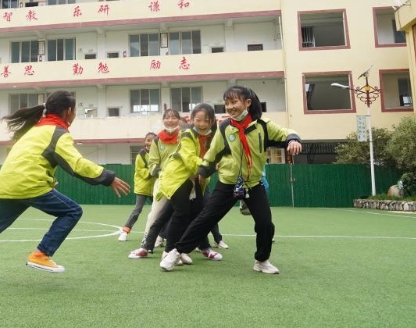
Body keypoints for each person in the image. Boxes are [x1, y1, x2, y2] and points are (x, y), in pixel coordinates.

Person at [0, 90, 130, 284]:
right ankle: (41, 254)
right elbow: (76, 164)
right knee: (72, 211)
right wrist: (107, 177)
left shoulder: (34, 130)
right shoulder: (58, 133)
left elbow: (33, 160)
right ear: (69, 111)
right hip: (28, 184)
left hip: (6, 185)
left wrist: (48, 181)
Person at [160, 85, 302, 274]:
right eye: (226, 103)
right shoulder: (225, 127)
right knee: (205, 219)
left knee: (265, 223)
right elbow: (212, 153)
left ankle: (262, 261)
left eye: (234, 102)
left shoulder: (263, 125)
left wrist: (293, 140)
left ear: (247, 103)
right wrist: (203, 172)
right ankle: (176, 251)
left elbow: (286, 133)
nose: (230, 107)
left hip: (252, 183)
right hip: (228, 182)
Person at [157, 103, 224, 265]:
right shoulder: (187, 133)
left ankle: (191, 249)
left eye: (206, 121)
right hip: (178, 178)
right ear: (192, 119)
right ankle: (168, 252)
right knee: (181, 213)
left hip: (196, 180)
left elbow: (217, 156)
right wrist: (207, 168)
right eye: (198, 120)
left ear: (212, 122)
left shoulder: (213, 137)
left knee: (199, 214)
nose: (202, 124)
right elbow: (189, 159)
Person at [128, 109, 181, 259]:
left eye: (174, 117)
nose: (170, 120)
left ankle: (193, 245)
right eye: (167, 117)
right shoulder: (158, 140)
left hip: (182, 182)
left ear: (179, 120)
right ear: (163, 120)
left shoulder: (185, 137)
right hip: (163, 181)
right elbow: (152, 162)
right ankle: (147, 242)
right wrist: (160, 173)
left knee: (188, 213)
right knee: (155, 212)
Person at [117, 132, 157, 241]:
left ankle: (158, 236)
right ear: (145, 141)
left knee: (158, 211)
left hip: (155, 188)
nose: (150, 142)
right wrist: (151, 172)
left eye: (152, 140)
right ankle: (125, 231)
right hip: (142, 188)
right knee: (137, 210)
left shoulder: (158, 153)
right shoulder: (141, 154)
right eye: (148, 140)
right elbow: (140, 170)